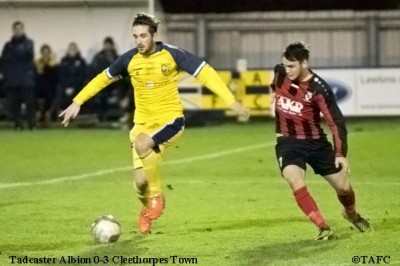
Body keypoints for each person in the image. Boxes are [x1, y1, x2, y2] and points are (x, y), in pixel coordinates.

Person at [59, 13, 249, 234]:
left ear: (153, 35)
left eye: (143, 36)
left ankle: (157, 195)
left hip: (171, 121)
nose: (139, 41)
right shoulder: (129, 59)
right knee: (140, 184)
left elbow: (205, 73)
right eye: (135, 36)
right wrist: (77, 101)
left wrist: (231, 101)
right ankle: (147, 208)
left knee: (143, 145)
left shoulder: (172, 54)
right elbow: (103, 78)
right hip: (141, 126)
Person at [270, 41, 370, 240]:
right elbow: (275, 85)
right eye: (285, 65)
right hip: (288, 142)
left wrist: (341, 154)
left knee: (343, 187)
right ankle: (323, 227)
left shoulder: (319, 89)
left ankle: (351, 213)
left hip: (316, 143)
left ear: (304, 64)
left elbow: (336, 122)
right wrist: (274, 97)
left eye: (292, 66)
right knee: (294, 179)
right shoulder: (280, 72)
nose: (287, 69)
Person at [1, 21, 36, 130]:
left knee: (29, 104)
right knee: (14, 105)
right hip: (12, 80)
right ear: (13, 30)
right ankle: (18, 124)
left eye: (20, 29)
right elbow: (3, 61)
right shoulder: (8, 45)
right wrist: (5, 74)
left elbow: (27, 55)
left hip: (26, 80)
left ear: (23, 29)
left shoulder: (28, 43)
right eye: (16, 29)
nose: (18, 31)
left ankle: (32, 124)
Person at [56, 42, 86, 112]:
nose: (72, 50)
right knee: (59, 91)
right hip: (65, 86)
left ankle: (79, 112)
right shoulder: (64, 61)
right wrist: (67, 87)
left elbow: (82, 76)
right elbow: (61, 75)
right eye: (70, 48)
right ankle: (61, 112)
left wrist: (73, 87)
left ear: (76, 49)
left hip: (78, 86)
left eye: (73, 48)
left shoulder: (81, 61)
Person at [35, 44, 59, 126]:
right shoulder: (38, 63)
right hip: (40, 87)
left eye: (47, 52)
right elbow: (37, 76)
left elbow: (55, 77)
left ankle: (49, 116)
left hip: (51, 87)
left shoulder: (53, 63)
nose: (45, 53)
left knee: (51, 96)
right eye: (44, 52)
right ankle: (42, 116)